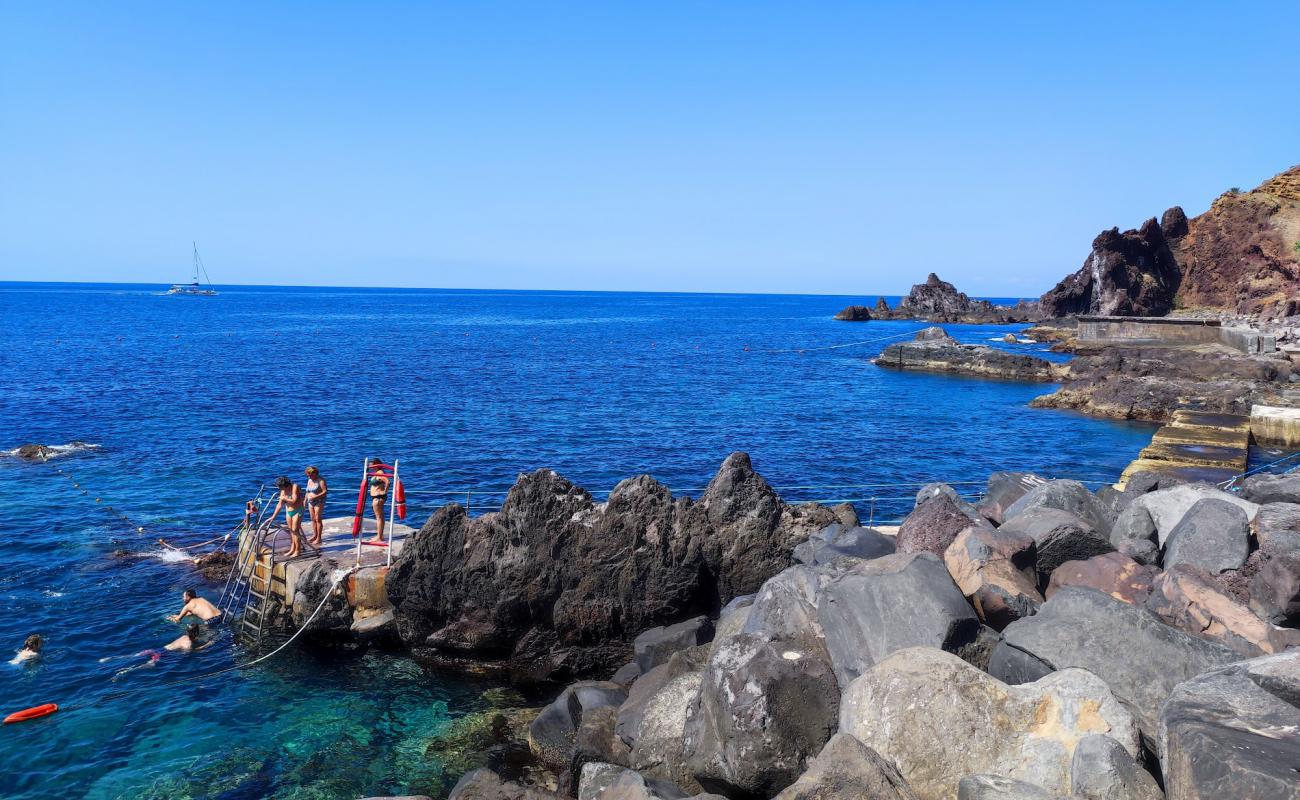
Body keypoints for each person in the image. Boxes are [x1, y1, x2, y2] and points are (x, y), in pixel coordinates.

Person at [272, 475, 305, 558]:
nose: (280, 489)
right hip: (289, 512)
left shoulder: (295, 486)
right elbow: (279, 505)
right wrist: (273, 516)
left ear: (284, 485)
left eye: (280, 487)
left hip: (298, 510)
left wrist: (284, 498)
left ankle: (298, 550)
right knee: (291, 531)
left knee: (295, 530)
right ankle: (293, 548)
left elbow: (294, 500)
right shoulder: (283, 491)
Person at [367, 461, 391, 544]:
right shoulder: (376, 473)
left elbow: (387, 481)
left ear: (375, 465)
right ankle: (380, 535)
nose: (369, 466)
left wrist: (385, 491)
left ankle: (379, 537)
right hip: (377, 497)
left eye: (370, 465)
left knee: (379, 518)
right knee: (380, 517)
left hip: (378, 498)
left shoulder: (380, 473)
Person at [304, 466, 328, 547]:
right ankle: (315, 535)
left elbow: (325, 491)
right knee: (313, 519)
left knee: (318, 519)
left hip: (319, 501)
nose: (309, 476)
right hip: (310, 501)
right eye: (308, 475)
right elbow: (307, 491)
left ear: (315, 473)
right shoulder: (309, 480)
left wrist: (316, 496)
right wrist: (305, 501)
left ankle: (319, 537)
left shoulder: (321, 480)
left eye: (310, 475)